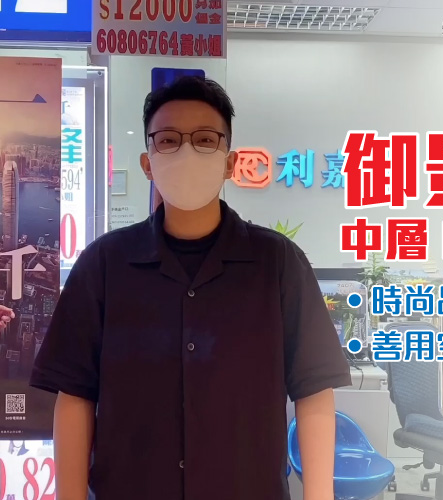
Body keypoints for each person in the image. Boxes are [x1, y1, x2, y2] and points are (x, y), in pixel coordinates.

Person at [30, 76, 352, 500]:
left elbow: (314, 391)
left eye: (204, 140)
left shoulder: (278, 264)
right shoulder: (103, 265)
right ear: (147, 163)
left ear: (229, 162)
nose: (186, 152)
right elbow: (75, 396)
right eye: (168, 140)